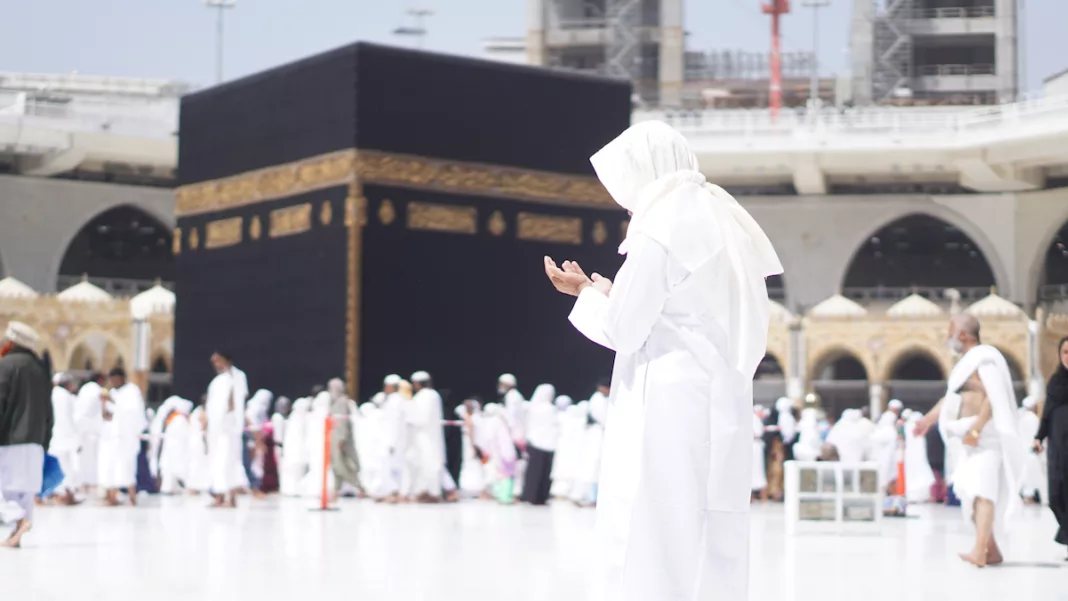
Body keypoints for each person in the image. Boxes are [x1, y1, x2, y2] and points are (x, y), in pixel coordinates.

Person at [543, 120, 782, 600]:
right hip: (719, 400)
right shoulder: (720, 215)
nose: (623, 200)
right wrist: (605, 292)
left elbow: (623, 329)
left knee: (652, 531)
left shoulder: (663, 223)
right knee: (711, 536)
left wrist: (589, 296)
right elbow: (684, 312)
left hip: (667, 406)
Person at [917, 314, 1023, 567]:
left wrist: (976, 428)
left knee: (982, 492)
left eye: (950, 330)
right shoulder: (966, 364)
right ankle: (992, 549)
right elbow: (950, 401)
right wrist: (928, 420)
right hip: (971, 440)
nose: (947, 336)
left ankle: (979, 551)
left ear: (963, 334)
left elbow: (993, 397)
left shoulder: (983, 359)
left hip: (986, 438)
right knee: (970, 491)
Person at [0, 322, 53, 548]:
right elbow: (49, 411)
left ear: (11, 342)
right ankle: (16, 535)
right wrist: (45, 442)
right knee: (24, 492)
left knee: (5, 491)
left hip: (11, 439)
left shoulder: (6, 365)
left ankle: (18, 519)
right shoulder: (40, 369)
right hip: (35, 442)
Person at [1035, 336, 1068, 558]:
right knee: (1056, 495)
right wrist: (1039, 437)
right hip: (1058, 446)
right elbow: (1047, 413)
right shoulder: (1055, 383)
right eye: (1065, 352)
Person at [204, 351, 249, 508]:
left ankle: (232, 498)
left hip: (230, 427)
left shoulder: (237, 377)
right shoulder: (218, 381)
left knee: (230, 461)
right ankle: (219, 497)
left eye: (218, 361)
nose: (216, 365)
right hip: (217, 429)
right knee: (217, 461)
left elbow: (235, 401)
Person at [96, 368, 146, 506]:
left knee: (126, 468)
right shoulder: (112, 392)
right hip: (112, 437)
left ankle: (132, 497)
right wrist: (103, 404)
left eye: (116, 379)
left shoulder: (131, 391)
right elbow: (107, 416)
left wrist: (113, 400)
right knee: (111, 467)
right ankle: (112, 498)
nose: (114, 382)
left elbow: (132, 413)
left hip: (126, 437)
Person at [406, 372, 446, 502]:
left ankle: (427, 493)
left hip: (423, 437)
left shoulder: (423, 397)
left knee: (425, 464)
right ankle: (429, 492)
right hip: (431, 436)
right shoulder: (434, 395)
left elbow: (421, 418)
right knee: (431, 464)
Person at [520, 383, 559, 505]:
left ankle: (530, 495)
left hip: (534, 443)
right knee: (543, 472)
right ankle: (541, 496)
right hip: (548, 444)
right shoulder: (550, 409)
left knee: (533, 472)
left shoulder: (532, 408)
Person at [327, 378, 364, 499]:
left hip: (340, 438)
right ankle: (336, 490)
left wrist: (341, 438)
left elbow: (342, 422)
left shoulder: (342, 401)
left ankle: (358, 486)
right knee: (336, 464)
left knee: (340, 464)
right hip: (334, 437)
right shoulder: (333, 401)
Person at [49, 372, 82, 505]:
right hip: (67, 437)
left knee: (53, 467)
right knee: (67, 467)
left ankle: (51, 495)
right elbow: (74, 419)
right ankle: (68, 495)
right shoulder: (69, 397)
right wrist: (77, 439)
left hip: (53, 438)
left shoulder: (51, 395)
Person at [73, 372, 106, 495]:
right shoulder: (97, 389)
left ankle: (83, 484)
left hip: (80, 429)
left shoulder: (84, 389)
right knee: (94, 459)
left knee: (83, 459)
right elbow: (101, 408)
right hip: (92, 429)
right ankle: (92, 485)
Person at [158, 398, 194, 494]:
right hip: (177, 449)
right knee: (175, 468)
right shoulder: (179, 419)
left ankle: (170, 488)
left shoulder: (174, 418)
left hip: (173, 449)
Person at [280, 397, 311, 497]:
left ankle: (292, 489)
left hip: (292, 450)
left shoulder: (293, 418)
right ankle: (293, 490)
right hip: (297, 450)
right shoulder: (301, 419)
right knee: (296, 471)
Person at [186, 405, 211, 494]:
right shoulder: (202, 411)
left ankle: (192, 486)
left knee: (193, 462)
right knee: (200, 462)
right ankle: (199, 485)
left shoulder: (195, 412)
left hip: (192, 438)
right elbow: (204, 423)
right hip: (199, 440)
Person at [752, 406, 768, 501]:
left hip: (756, 446)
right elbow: (758, 433)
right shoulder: (755, 419)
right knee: (756, 470)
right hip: (755, 447)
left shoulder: (755, 419)